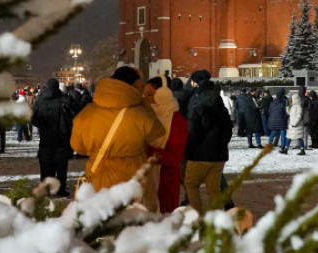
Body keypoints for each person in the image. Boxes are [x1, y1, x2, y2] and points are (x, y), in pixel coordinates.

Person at [70, 66, 166, 194]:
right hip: (132, 183)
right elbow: (158, 133)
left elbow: (77, 146)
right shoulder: (141, 114)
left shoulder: (87, 113)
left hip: (98, 182)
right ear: (136, 86)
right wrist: (144, 105)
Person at [184, 80, 233, 212]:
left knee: (191, 185)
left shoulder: (197, 108)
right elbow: (228, 131)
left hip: (199, 156)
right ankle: (215, 221)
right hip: (219, 156)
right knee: (214, 189)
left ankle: (197, 216)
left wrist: (189, 151)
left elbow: (193, 133)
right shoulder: (222, 109)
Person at [145, 82, 188, 213]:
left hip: (165, 181)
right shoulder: (147, 115)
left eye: (150, 94)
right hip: (147, 180)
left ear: (161, 95)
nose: (146, 98)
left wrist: (145, 151)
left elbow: (174, 157)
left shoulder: (176, 120)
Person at [31, 77, 76, 197]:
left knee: (46, 167)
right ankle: (60, 190)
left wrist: (42, 126)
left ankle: (46, 189)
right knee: (61, 168)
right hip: (62, 140)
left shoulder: (39, 101)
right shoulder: (64, 99)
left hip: (45, 140)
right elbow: (74, 113)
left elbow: (33, 118)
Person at [283, 89, 308, 155]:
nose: (292, 100)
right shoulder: (294, 106)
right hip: (292, 125)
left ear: (296, 99)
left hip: (296, 125)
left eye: (293, 99)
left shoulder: (298, 106)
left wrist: (295, 123)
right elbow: (290, 114)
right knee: (289, 137)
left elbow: (299, 116)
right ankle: (286, 149)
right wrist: (287, 107)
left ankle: (302, 150)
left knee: (299, 137)